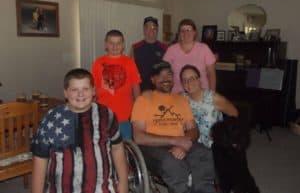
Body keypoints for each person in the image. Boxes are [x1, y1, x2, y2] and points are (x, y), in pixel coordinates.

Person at [31, 68, 128, 193]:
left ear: (93, 91)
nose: (80, 94)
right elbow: (40, 159)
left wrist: (124, 182)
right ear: (65, 93)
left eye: (85, 89)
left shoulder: (106, 115)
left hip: (101, 188)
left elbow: (117, 148)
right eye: (74, 90)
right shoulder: (51, 119)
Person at [131, 60, 216, 193]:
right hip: (153, 146)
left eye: (169, 75)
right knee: (174, 164)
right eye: (160, 75)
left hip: (180, 142)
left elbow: (193, 129)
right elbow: (139, 137)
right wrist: (175, 141)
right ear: (153, 79)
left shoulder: (181, 99)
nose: (165, 79)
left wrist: (182, 144)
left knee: (204, 153)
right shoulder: (143, 100)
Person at [91, 29, 141, 138]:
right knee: (105, 145)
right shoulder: (98, 63)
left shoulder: (129, 63)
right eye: (111, 43)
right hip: (104, 114)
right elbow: (93, 88)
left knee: (125, 145)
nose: (115, 46)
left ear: (123, 45)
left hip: (125, 115)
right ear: (106, 44)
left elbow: (136, 87)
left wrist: (138, 109)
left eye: (118, 43)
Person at [179, 64, 238, 148]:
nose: (189, 83)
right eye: (185, 80)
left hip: (214, 145)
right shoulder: (181, 98)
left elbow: (234, 114)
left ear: (199, 80)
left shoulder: (214, 98)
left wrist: (223, 132)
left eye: (192, 78)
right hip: (193, 145)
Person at [163, 18, 216, 93]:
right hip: (178, 95)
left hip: (201, 95)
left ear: (194, 32)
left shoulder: (204, 48)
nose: (185, 33)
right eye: (182, 30)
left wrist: (212, 95)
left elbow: (211, 74)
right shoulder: (171, 50)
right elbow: (165, 74)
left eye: (188, 30)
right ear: (179, 33)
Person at [130, 16, 168, 91]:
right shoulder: (135, 48)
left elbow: (167, 71)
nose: (151, 30)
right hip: (140, 90)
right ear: (144, 30)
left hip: (159, 90)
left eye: (154, 28)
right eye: (148, 28)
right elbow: (131, 72)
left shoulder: (165, 48)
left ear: (157, 30)